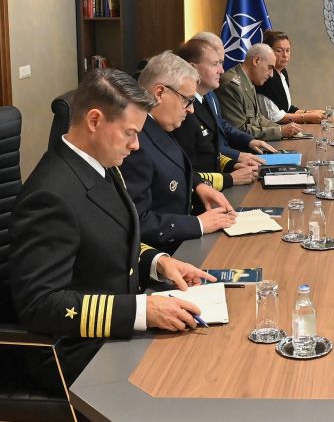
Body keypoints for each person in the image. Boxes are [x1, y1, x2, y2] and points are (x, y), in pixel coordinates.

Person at [10, 68, 215, 390]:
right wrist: (141, 310)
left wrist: (157, 262)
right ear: (94, 120)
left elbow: (108, 239)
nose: (136, 145)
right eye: (130, 133)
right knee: (197, 377)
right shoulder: (50, 195)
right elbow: (41, 305)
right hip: (76, 351)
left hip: (115, 329)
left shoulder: (100, 165)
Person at [120, 52, 236, 253]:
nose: (191, 110)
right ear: (159, 93)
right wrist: (198, 224)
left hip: (184, 240)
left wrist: (199, 186)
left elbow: (178, 165)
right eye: (187, 100)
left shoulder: (159, 125)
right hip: (165, 254)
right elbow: (137, 221)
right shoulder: (136, 143)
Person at [172, 38, 258, 190]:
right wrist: (229, 178)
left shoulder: (206, 98)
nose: (222, 70)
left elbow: (208, 152)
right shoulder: (183, 111)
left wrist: (233, 165)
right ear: (192, 69)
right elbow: (187, 170)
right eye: (215, 64)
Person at [191, 31, 277, 163]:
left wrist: (249, 141)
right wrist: (236, 157)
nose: (222, 70)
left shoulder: (210, 94)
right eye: (215, 63)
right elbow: (204, 148)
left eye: (221, 62)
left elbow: (222, 124)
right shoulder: (188, 102)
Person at [215, 43, 302, 141]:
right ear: (256, 61)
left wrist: (281, 128)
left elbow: (257, 118)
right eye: (270, 67)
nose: (271, 75)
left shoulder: (248, 81)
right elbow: (239, 131)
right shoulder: (231, 85)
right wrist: (280, 131)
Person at [256, 30, 325, 124]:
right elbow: (273, 117)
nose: (285, 55)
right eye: (279, 51)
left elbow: (286, 109)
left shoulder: (282, 73)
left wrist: (310, 112)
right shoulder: (265, 78)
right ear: (268, 52)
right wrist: (308, 117)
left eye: (287, 50)